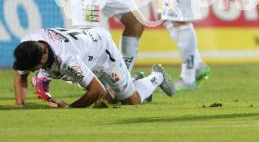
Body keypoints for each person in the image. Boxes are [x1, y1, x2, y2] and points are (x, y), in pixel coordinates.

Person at [13, 27, 175, 108]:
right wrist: (20, 105)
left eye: (32, 67)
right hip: (86, 52)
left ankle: (156, 76)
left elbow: (97, 91)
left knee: (131, 101)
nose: (31, 70)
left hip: (104, 55)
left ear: (43, 57)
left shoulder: (68, 61)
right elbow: (21, 76)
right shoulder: (29, 44)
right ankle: (132, 82)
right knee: (110, 100)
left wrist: (70, 108)